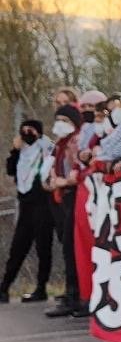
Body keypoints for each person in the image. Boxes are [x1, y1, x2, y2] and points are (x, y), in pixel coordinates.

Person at [0, 119, 54, 304]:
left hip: (43, 205)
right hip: (26, 205)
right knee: (18, 247)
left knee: (43, 247)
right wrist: (14, 150)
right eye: (23, 131)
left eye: (30, 130)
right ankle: (4, 288)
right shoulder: (22, 152)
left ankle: (41, 287)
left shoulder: (46, 147)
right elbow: (10, 170)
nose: (26, 134)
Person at [46, 103, 85, 317]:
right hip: (64, 198)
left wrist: (63, 181)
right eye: (58, 120)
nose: (61, 125)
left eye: (66, 121)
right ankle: (72, 293)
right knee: (67, 246)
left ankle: (76, 295)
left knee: (73, 247)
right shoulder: (60, 145)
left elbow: (77, 171)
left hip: (75, 195)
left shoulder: (75, 142)